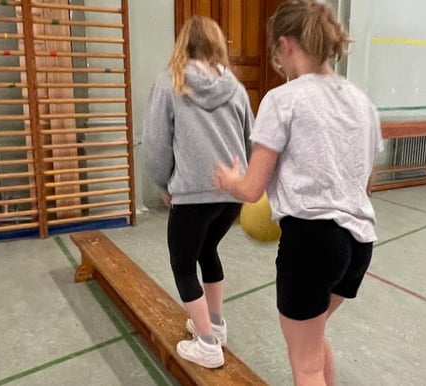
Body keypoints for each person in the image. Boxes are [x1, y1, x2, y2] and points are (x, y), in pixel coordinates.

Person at [212, 1, 383, 384]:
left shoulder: (283, 99)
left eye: (276, 53)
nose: (278, 63)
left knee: (304, 365)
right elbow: (367, 182)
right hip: (359, 244)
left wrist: (229, 178)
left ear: (287, 44)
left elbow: (252, 187)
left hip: (312, 243)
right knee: (314, 338)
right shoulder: (362, 102)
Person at [142, 16, 254, 369]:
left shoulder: (169, 82)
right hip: (231, 192)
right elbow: (251, 138)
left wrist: (164, 184)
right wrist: (242, 182)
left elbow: (156, 143)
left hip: (193, 194)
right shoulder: (234, 85)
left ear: (182, 45)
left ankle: (206, 343)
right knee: (208, 249)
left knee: (182, 263)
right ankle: (216, 323)